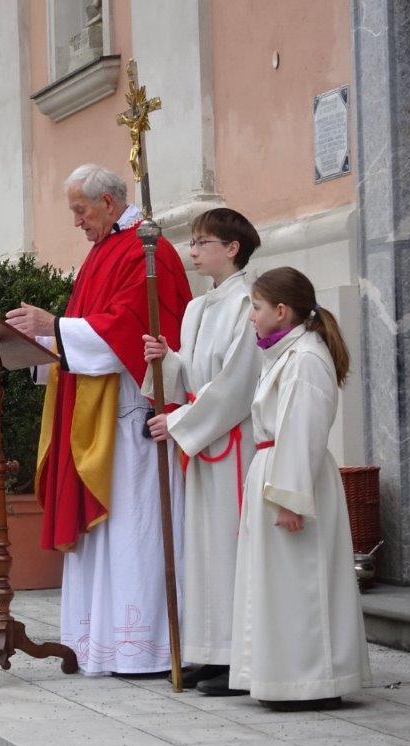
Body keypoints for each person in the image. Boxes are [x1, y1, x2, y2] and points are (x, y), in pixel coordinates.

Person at [6, 163, 192, 676]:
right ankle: (99, 644)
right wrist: (42, 342)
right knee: (110, 540)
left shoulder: (147, 251)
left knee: (133, 534)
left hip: (132, 420)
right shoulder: (106, 250)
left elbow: (131, 328)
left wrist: (56, 328)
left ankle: (141, 649)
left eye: (80, 210)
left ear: (108, 203)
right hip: (101, 414)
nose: (76, 221)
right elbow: (92, 328)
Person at [229, 266, 370, 710]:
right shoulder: (287, 353)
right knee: (278, 582)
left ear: (281, 310)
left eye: (256, 307)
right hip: (276, 470)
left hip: (291, 478)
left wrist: (289, 498)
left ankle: (310, 680)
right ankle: (283, 676)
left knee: (301, 580)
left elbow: (302, 429)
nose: (251, 316)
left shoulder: (305, 358)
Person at [141, 208, 263, 694]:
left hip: (232, 443)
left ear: (232, 248)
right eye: (191, 242)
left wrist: (178, 422)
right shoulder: (197, 308)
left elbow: (236, 384)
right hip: (202, 440)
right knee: (202, 549)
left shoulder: (248, 304)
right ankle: (209, 652)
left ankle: (240, 658)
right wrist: (165, 359)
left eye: (202, 242)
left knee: (228, 546)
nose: (191, 251)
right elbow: (191, 376)